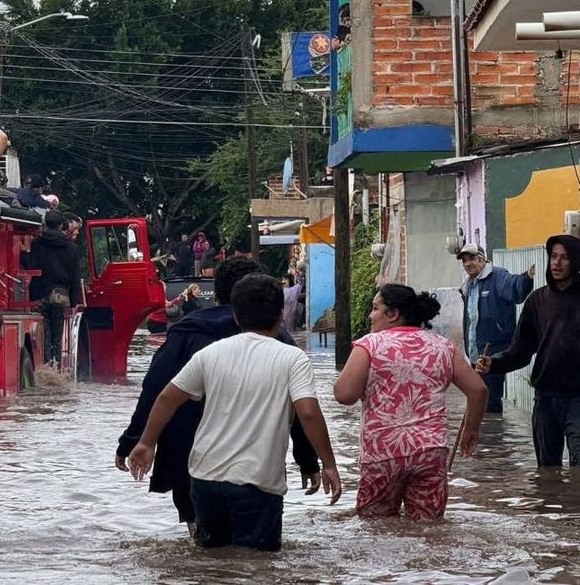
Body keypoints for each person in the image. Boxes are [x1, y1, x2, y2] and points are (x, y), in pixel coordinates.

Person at [127, 273, 341, 551]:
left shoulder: (211, 353)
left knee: (212, 564)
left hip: (204, 480)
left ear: (236, 317)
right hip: (258, 483)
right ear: (280, 315)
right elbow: (308, 413)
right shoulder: (292, 357)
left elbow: (167, 397)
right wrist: (328, 464)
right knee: (257, 567)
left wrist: (146, 442)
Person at [334, 284, 488, 520]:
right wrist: (471, 430)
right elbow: (478, 391)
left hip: (383, 453)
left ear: (393, 314)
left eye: (375, 308)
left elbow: (344, 395)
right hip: (431, 451)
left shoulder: (369, 345)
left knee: (376, 529)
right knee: (429, 529)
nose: (370, 315)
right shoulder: (443, 346)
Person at [476, 235, 580, 466]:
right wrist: (494, 363)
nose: (557, 263)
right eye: (553, 257)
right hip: (545, 398)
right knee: (547, 469)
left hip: (577, 399)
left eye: (564, 258)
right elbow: (520, 351)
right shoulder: (538, 301)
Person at [457, 243, 534, 414]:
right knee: (477, 400)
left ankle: (493, 437)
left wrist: (527, 278)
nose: (467, 264)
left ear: (482, 259)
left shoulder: (498, 276)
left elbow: (515, 289)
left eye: (471, 259)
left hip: (494, 352)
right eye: (464, 261)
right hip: (475, 353)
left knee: (491, 402)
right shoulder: (469, 284)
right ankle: (483, 437)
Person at [26, 210, 81, 368]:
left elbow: (31, 266)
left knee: (43, 335)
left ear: (45, 224)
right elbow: (75, 277)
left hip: (39, 294)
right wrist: (73, 302)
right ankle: (55, 369)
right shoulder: (71, 247)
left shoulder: (37, 243)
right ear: (62, 226)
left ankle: (43, 366)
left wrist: (24, 253)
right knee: (57, 338)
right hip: (60, 295)